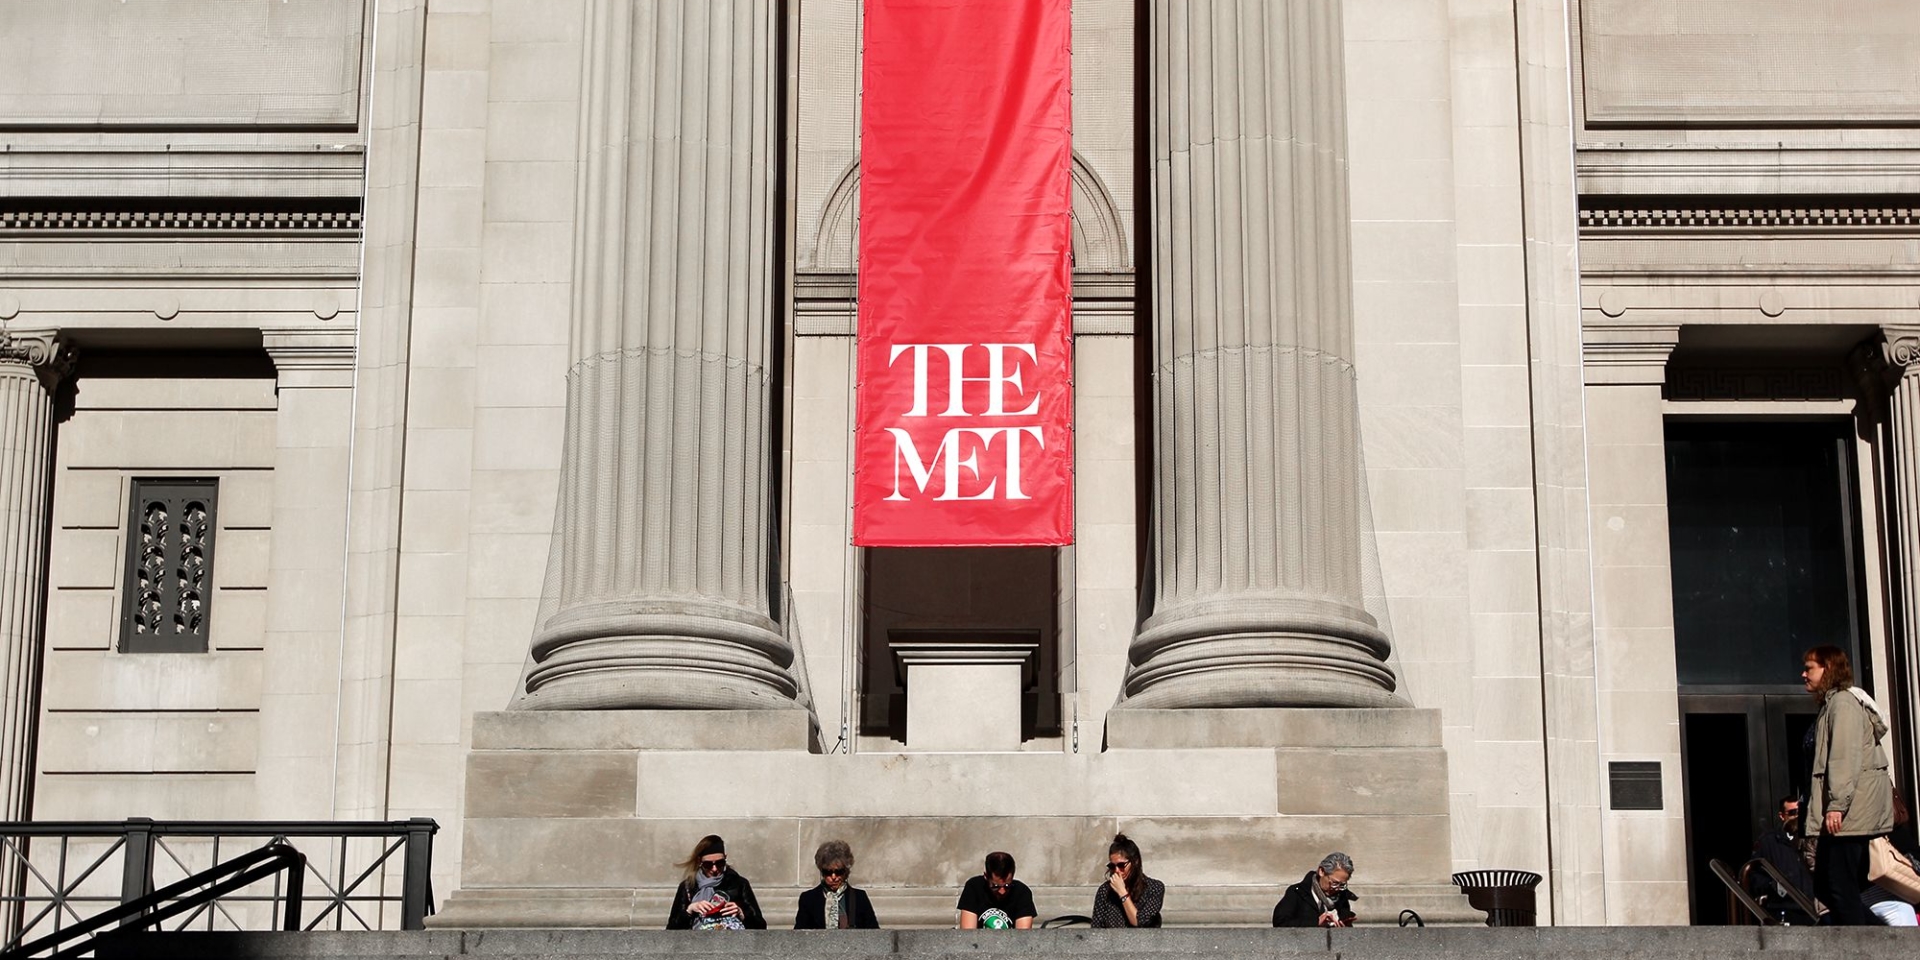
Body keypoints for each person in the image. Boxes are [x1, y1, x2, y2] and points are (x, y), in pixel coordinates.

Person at [1802, 645, 1896, 927]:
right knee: (1828, 886)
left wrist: (1837, 806)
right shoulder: (1831, 704)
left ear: (1828, 669)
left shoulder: (1842, 703)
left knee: (1838, 885)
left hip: (1848, 814)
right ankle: (1881, 939)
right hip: (1843, 813)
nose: (1804, 674)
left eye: (1809, 668)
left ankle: (1873, 946)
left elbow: (1844, 756)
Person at [666, 835, 767, 930]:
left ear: (725, 858)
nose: (714, 869)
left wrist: (741, 913)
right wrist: (690, 910)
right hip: (697, 943)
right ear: (699, 861)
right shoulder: (688, 886)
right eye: (708, 864)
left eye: (720, 863)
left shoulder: (739, 883)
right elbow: (671, 929)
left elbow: (761, 926)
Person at [1754, 794, 1818, 918]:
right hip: (1784, 908)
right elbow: (1754, 875)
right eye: (1792, 812)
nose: (1797, 816)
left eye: (1801, 812)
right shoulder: (1768, 842)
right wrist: (1772, 886)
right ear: (1782, 816)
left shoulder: (1814, 838)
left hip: (1813, 908)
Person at [795, 839, 880, 929]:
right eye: (828, 872)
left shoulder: (859, 897)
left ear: (846, 872)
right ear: (822, 872)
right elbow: (799, 935)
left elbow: (873, 932)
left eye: (838, 872)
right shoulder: (808, 899)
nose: (833, 877)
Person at [1090, 833, 1163, 928]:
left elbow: (1139, 922)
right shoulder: (1105, 891)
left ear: (1135, 862)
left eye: (1121, 865)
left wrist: (1122, 893)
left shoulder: (1154, 888)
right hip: (1112, 942)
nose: (1117, 871)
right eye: (1112, 866)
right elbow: (1096, 929)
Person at [1272, 852, 1357, 927]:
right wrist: (1315, 922)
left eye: (1342, 885)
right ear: (1322, 872)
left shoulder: (1342, 897)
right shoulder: (1297, 892)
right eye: (1334, 883)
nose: (1337, 888)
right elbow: (1280, 923)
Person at [957, 851, 1036, 929]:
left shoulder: (1022, 892)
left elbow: (1023, 936)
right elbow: (968, 934)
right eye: (995, 886)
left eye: (1007, 886)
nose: (1002, 891)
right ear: (986, 876)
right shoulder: (974, 887)